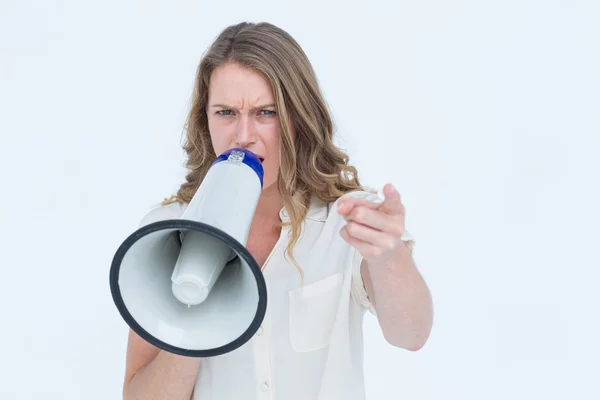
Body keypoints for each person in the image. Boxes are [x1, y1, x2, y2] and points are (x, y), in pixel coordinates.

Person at [122, 21, 433, 400]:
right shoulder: (166, 232)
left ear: (299, 119)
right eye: (225, 112)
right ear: (205, 119)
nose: (243, 135)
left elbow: (411, 335)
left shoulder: (348, 220)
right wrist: (192, 314)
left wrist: (390, 255)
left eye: (265, 112)